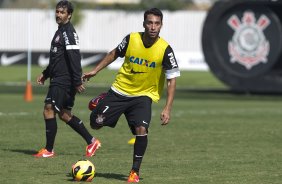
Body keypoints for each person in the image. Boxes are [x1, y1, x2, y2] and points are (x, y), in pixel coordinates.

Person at [82, 8, 180, 182]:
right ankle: (102, 99)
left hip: (143, 96)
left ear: (161, 25)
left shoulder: (166, 49)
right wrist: (95, 70)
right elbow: (113, 54)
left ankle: (134, 172)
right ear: (144, 24)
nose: (153, 27)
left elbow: (172, 79)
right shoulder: (131, 39)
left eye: (157, 23)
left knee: (141, 130)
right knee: (95, 123)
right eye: (149, 22)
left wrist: (167, 108)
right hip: (119, 91)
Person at [33, 0, 100, 158]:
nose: (58, 15)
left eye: (62, 12)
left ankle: (49, 150)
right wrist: (46, 73)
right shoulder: (60, 31)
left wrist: (77, 81)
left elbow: (74, 57)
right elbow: (58, 58)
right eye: (57, 11)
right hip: (60, 78)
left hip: (64, 80)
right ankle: (92, 141)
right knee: (64, 114)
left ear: (69, 15)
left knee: (48, 109)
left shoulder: (68, 32)